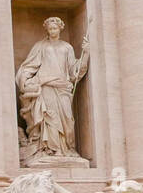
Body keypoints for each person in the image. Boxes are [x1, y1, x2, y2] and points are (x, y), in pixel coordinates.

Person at [16, 16, 90, 157]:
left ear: (60, 28)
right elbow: (29, 66)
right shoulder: (40, 46)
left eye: (54, 28)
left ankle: (67, 148)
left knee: (67, 119)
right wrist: (24, 79)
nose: (52, 31)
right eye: (50, 28)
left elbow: (74, 71)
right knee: (50, 118)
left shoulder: (67, 47)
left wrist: (85, 53)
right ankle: (52, 149)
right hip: (47, 86)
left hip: (63, 87)